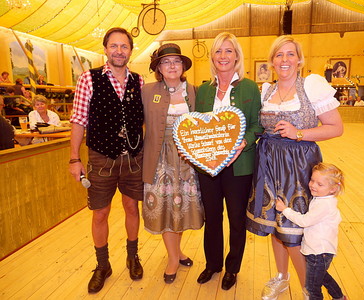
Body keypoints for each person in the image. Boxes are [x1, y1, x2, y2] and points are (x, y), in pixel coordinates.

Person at [246, 35, 343, 300]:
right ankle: (281, 278)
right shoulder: (266, 89)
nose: (285, 59)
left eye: (290, 54)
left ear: (300, 60)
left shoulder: (311, 86)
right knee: (276, 226)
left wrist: (298, 133)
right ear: (272, 61)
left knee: (295, 231)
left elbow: (336, 128)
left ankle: (309, 290)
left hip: (300, 166)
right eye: (279, 55)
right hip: (269, 163)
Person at [69, 27, 144, 294]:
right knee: (100, 212)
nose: (119, 51)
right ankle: (103, 265)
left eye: (124, 46)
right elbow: (78, 121)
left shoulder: (139, 81)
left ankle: (132, 256)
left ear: (131, 51)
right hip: (101, 158)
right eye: (114, 46)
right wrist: (74, 159)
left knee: (132, 208)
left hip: (134, 158)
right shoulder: (88, 79)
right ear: (105, 49)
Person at [195, 32, 262, 291]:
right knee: (212, 217)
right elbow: (195, 126)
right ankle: (213, 264)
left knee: (236, 218)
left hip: (239, 165)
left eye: (228, 51)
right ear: (212, 56)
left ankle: (232, 267)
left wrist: (243, 143)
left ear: (237, 56)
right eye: (218, 51)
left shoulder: (249, 87)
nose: (223, 56)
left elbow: (257, 125)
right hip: (208, 167)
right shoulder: (203, 89)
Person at [141, 43, 204, 284]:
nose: (171, 66)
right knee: (165, 208)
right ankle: (172, 258)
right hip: (158, 159)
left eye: (176, 61)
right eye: (166, 62)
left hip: (186, 161)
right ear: (158, 67)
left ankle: (177, 252)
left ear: (183, 66)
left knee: (180, 209)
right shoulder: (147, 91)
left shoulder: (195, 91)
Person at [275, 162, 347, 300]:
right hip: (322, 252)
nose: (313, 185)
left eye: (320, 184)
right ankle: (339, 297)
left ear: (333, 189)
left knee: (312, 288)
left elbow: (305, 221)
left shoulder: (324, 205)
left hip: (319, 253)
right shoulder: (324, 199)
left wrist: (285, 209)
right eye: (312, 180)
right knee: (324, 277)